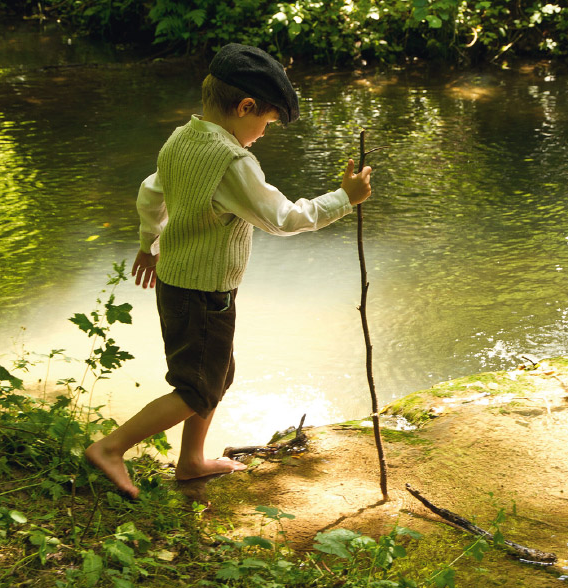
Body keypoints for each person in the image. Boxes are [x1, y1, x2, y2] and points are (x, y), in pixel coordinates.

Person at [86, 43, 372, 499]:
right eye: (266, 123)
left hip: (182, 283)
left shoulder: (181, 139)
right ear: (245, 107)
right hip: (202, 292)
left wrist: (147, 245)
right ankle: (111, 448)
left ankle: (191, 461)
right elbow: (283, 218)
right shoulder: (232, 162)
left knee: (215, 376)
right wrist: (345, 199)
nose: (263, 133)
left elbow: (149, 193)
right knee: (196, 388)